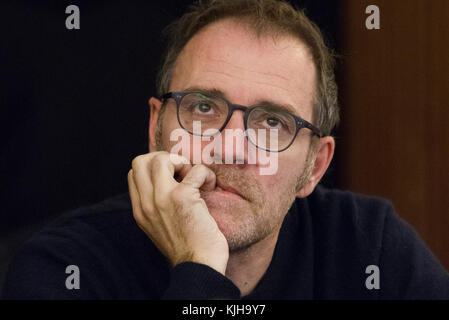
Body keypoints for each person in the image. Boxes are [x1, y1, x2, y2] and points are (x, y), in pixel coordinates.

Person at [2, 0, 449, 300]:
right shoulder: (66, 268)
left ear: (315, 167)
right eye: (202, 107)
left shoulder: (374, 250)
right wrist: (199, 269)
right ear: (156, 125)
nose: (231, 147)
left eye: (272, 122)